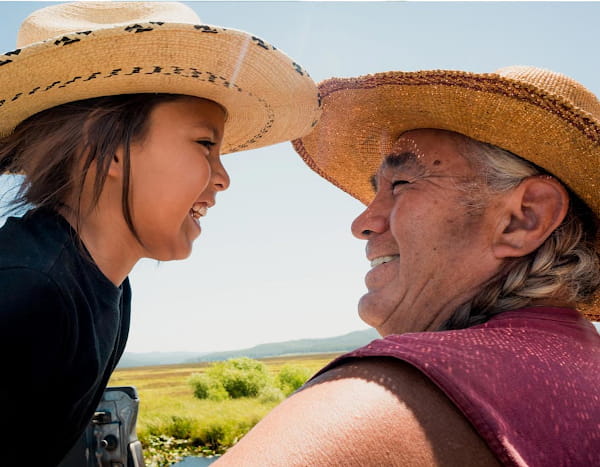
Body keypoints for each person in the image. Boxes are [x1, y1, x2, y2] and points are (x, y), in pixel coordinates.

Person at [214, 66, 600, 466]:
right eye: (374, 190)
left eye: (401, 185)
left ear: (524, 218)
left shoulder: (391, 394)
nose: (363, 223)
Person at [0, 2, 320, 465]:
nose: (222, 176)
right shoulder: (26, 290)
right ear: (102, 150)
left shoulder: (104, 285)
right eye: (206, 144)